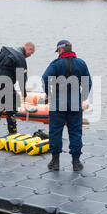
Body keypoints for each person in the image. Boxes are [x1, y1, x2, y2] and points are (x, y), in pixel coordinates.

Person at [42, 40, 92, 171]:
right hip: (75, 101)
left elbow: (45, 77)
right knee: (75, 131)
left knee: (55, 131)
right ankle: (76, 162)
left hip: (58, 101)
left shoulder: (55, 64)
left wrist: (48, 93)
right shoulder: (81, 63)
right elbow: (88, 83)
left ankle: (55, 161)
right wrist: (82, 98)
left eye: (58, 51)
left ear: (61, 50)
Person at [0, 42, 35, 136]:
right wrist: (24, 94)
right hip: (5, 83)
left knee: (2, 102)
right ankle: (12, 131)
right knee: (12, 106)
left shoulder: (5, 50)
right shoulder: (20, 58)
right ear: (29, 49)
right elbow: (22, 79)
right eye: (31, 54)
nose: (30, 56)